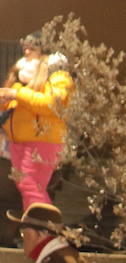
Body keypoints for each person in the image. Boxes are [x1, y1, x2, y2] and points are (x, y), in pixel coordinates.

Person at [1, 35, 70, 209]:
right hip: (18, 141)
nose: (27, 51)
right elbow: (16, 108)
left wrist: (17, 94)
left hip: (43, 139)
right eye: (25, 47)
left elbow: (53, 104)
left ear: (45, 51)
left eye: (33, 48)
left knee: (30, 186)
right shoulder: (21, 76)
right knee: (26, 187)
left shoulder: (57, 74)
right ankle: (33, 229)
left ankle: (44, 228)